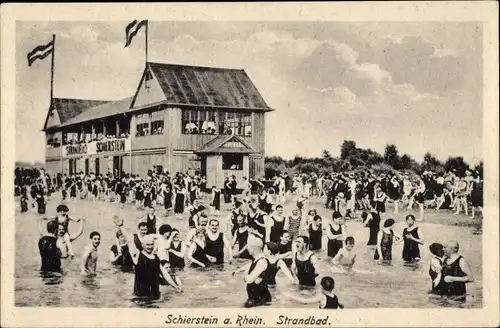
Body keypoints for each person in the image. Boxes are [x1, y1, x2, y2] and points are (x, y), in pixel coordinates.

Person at [113, 217, 178, 299]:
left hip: (155, 295)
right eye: (147, 245)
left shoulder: (156, 258)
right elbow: (130, 240)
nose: (150, 247)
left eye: (151, 244)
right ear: (142, 245)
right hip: (141, 296)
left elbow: (165, 274)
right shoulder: (137, 255)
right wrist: (121, 226)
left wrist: (176, 287)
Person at [243, 237, 271, 307]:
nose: (247, 248)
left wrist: (246, 272)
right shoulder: (255, 260)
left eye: (248, 246)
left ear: (254, 248)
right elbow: (246, 279)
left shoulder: (262, 261)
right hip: (254, 299)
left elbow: (249, 280)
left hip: (262, 301)